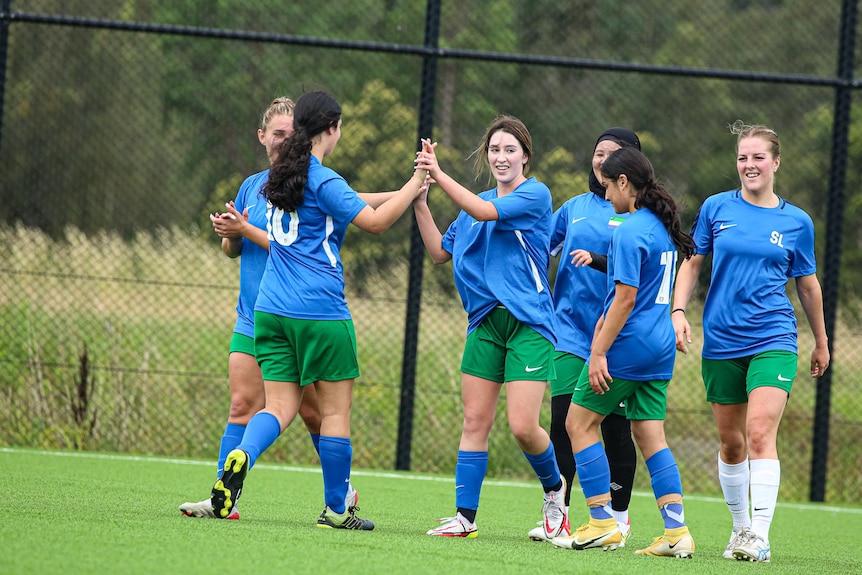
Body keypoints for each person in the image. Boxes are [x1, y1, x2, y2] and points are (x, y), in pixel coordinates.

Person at [209, 90, 427, 531]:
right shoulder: (323, 178)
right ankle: (336, 511)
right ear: (332, 128)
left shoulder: (275, 179)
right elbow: (376, 222)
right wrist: (415, 183)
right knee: (334, 414)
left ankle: (242, 455)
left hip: (269, 311)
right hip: (320, 311)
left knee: (279, 406)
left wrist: (407, 186)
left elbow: (348, 201)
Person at [179, 97, 349, 520]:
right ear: (262, 137)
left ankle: (340, 491)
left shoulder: (310, 182)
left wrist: (246, 229)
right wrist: (230, 232)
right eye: (277, 133)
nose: (285, 139)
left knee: (312, 411)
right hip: (255, 315)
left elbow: (290, 248)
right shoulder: (252, 185)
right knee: (243, 404)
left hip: (293, 313)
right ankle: (223, 495)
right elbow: (231, 250)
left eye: (292, 133)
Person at [671, 121, 829, 562]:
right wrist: (678, 311)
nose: (749, 165)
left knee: (760, 432)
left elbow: (809, 286)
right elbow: (693, 263)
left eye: (758, 157)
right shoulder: (716, 208)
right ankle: (740, 530)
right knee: (731, 442)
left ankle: (759, 535)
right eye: (743, 157)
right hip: (721, 340)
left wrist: (821, 341)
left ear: (776, 162)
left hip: (773, 337)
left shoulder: (797, 222)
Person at [413, 116, 566, 540]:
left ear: (525, 157)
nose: (501, 157)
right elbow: (439, 253)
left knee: (522, 426)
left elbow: (483, 211)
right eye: (495, 150)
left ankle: (556, 491)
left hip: (529, 324)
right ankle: (465, 517)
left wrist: (439, 174)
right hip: (484, 323)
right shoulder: (473, 204)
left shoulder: (535, 195)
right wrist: (421, 203)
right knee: (474, 421)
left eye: (509, 150)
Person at [550, 146, 697, 557]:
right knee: (651, 436)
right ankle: (676, 532)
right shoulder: (661, 229)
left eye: (608, 186)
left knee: (578, 423)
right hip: (660, 346)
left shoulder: (630, 231)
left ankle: (601, 523)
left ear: (624, 183)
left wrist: (598, 353)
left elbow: (624, 299)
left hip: (629, 346)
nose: (606, 194)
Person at [528, 128, 640, 544]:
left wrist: (598, 260)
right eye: (598, 153)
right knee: (563, 422)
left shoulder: (638, 216)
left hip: (618, 337)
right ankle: (560, 515)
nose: (602, 160)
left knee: (612, 427)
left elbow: (639, 273)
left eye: (612, 154)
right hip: (570, 332)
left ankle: (619, 516)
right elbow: (540, 252)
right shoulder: (574, 208)